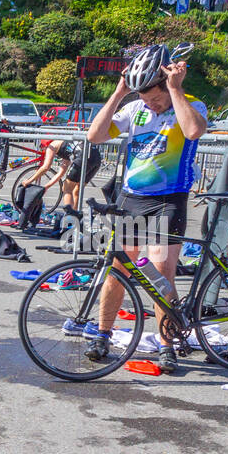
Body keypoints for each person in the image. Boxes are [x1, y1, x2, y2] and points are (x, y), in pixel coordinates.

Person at [84, 44, 207, 374]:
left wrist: (175, 91)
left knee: (159, 275)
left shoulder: (190, 105)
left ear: (165, 82)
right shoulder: (135, 109)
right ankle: (102, 335)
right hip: (131, 199)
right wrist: (120, 92)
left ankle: (167, 344)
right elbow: (95, 135)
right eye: (145, 98)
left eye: (155, 98)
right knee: (118, 270)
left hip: (168, 200)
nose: (151, 104)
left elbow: (194, 130)